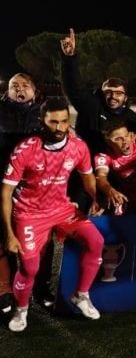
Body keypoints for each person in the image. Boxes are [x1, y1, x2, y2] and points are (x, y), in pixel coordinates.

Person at [3, 98, 104, 331]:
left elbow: (87, 176)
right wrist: (9, 233)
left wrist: (96, 196)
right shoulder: (26, 150)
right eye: (53, 122)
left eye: (64, 122)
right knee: (30, 268)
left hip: (62, 209)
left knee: (96, 241)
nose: (60, 128)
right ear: (41, 121)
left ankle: (81, 295)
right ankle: (21, 310)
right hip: (29, 214)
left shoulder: (79, 146)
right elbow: (6, 192)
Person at [0, 72, 43, 312]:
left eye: (25, 85)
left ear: (34, 91)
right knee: (2, 236)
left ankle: (33, 287)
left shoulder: (43, 113)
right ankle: (4, 290)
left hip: (32, 186)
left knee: (30, 238)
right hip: (3, 182)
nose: (19, 88)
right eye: (14, 85)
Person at [60, 28, 136, 153]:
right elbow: (74, 87)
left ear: (125, 97)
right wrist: (70, 59)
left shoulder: (131, 117)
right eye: (108, 92)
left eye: (119, 93)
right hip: (89, 163)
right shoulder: (91, 107)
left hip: (117, 167)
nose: (113, 96)